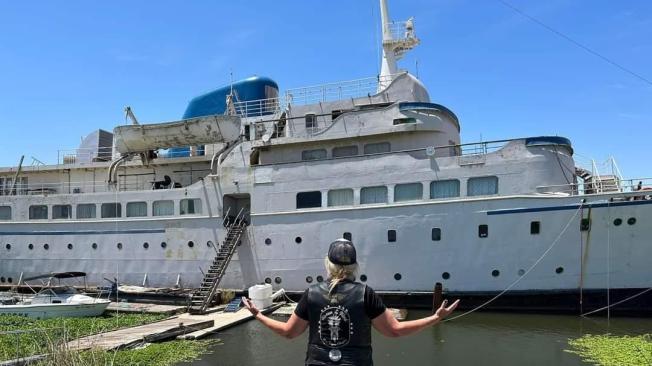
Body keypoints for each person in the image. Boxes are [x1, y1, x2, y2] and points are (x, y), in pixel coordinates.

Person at [243, 238, 460, 365]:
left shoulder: (312, 293)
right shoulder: (365, 293)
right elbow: (395, 330)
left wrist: (258, 314)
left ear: (327, 263)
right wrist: (434, 318)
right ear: (355, 266)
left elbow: (289, 332)